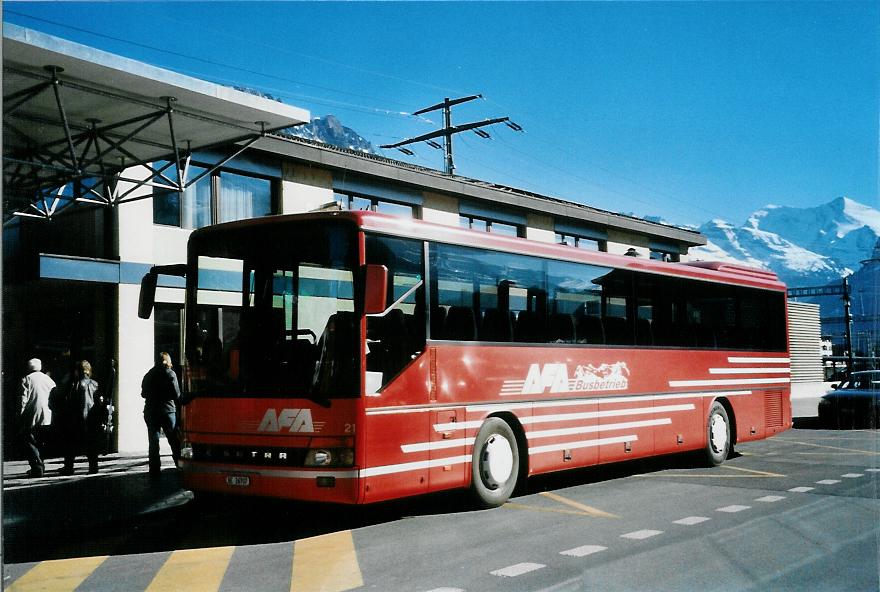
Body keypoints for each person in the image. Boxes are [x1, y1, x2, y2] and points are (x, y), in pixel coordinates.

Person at [59, 360, 107, 475]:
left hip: (78, 419)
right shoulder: (96, 384)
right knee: (92, 445)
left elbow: (71, 403)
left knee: (71, 444)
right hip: (92, 419)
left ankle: (69, 468)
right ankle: (93, 467)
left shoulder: (75, 385)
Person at [141, 351, 181, 476]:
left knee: (153, 441)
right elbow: (176, 394)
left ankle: (154, 469)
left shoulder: (149, 374)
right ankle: (179, 465)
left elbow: (143, 393)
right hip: (167, 410)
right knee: (173, 440)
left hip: (151, 411)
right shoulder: (171, 374)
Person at [19, 358, 56, 478]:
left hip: (32, 415)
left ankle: (37, 467)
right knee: (42, 441)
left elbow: (23, 400)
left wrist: (20, 415)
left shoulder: (27, 379)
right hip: (48, 415)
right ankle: (41, 465)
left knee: (31, 441)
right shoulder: (48, 379)